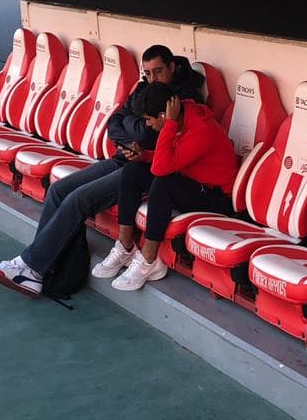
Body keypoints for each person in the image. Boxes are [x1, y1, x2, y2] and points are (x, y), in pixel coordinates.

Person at [0, 46, 206, 298]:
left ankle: (32, 267)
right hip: (124, 156)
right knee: (57, 190)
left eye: (158, 72)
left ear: (172, 67)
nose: (151, 79)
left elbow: (147, 134)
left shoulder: (183, 97)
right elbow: (114, 123)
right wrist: (129, 134)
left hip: (144, 168)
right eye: (147, 73)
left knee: (78, 200)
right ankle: (35, 267)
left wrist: (132, 126)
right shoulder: (144, 87)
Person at [98, 82, 238, 291]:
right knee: (132, 170)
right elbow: (168, 160)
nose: (147, 125)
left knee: (163, 183)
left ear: (164, 115)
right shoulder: (182, 119)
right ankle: (125, 246)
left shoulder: (201, 129)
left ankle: (149, 260)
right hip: (189, 182)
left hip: (215, 198)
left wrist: (169, 126)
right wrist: (143, 156)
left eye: (148, 119)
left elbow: (161, 169)